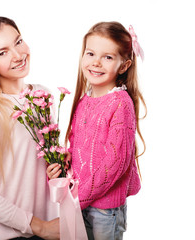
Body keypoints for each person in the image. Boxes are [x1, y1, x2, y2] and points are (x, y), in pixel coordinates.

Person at [0, 16, 59, 240]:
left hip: (49, 229)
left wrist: (58, 167)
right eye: (2, 52)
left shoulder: (42, 95)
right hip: (9, 233)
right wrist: (39, 226)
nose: (18, 55)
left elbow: (37, 165)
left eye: (18, 41)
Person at [47, 21, 146, 240]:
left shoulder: (120, 103)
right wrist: (68, 158)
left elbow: (115, 163)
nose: (96, 63)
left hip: (104, 209)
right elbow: (84, 147)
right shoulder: (85, 99)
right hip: (80, 200)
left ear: (123, 65)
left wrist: (79, 198)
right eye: (90, 54)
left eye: (108, 57)